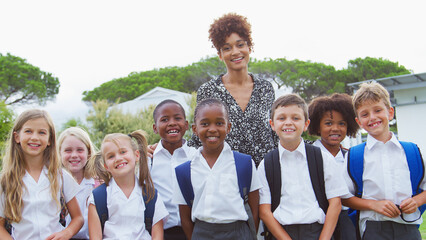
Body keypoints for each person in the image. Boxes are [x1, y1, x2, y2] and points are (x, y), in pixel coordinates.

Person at [189, 12, 277, 166]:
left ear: (249, 47)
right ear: (220, 55)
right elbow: (199, 137)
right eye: (227, 48)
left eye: (240, 45)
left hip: (266, 176)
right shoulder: (208, 91)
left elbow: (276, 132)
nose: (235, 52)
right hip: (227, 175)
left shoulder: (266, 88)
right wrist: (166, 148)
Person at [342, 82, 426, 239]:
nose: (372, 117)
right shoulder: (355, 156)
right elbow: (345, 197)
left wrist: (416, 201)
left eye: (378, 110)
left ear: (390, 113)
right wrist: (373, 205)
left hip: (408, 227)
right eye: (365, 114)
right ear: (359, 122)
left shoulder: (411, 152)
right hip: (373, 229)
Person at [258, 94, 348, 240]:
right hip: (281, 234)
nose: (288, 123)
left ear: (306, 124)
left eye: (295, 118)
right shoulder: (266, 164)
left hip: (318, 232)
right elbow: (264, 211)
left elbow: (335, 203)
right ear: (272, 124)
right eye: (281, 118)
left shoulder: (322, 158)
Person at [174, 98, 260, 240]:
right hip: (202, 233)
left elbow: (254, 211)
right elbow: (185, 219)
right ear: (195, 129)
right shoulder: (184, 171)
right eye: (205, 124)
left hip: (239, 232)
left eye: (219, 123)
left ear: (228, 127)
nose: (212, 129)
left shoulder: (245, 163)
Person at [0, 109, 83, 240]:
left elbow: (78, 218)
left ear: (49, 139)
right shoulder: (5, 181)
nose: (34, 137)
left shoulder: (60, 176)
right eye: (28, 131)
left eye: (42, 132)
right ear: (17, 137)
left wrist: (66, 233)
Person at [87, 130, 168, 240]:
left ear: (136, 155)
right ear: (106, 166)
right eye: (111, 156)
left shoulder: (151, 196)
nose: (118, 158)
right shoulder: (98, 198)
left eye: (123, 152)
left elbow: (157, 236)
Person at [308, 93, 359, 240]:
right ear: (317, 126)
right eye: (328, 123)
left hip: (346, 222)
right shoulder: (309, 155)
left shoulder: (351, 156)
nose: (335, 128)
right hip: (318, 220)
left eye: (341, 123)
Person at [150, 99, 196, 240]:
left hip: (194, 230)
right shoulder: (148, 160)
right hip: (162, 233)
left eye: (177, 118)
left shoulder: (196, 157)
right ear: (155, 128)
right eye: (164, 119)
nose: (172, 123)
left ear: (186, 125)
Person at [58, 126, 99, 239]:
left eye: (80, 150)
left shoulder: (98, 184)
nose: (74, 155)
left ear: (88, 153)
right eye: (68, 150)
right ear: (59, 153)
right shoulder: (54, 183)